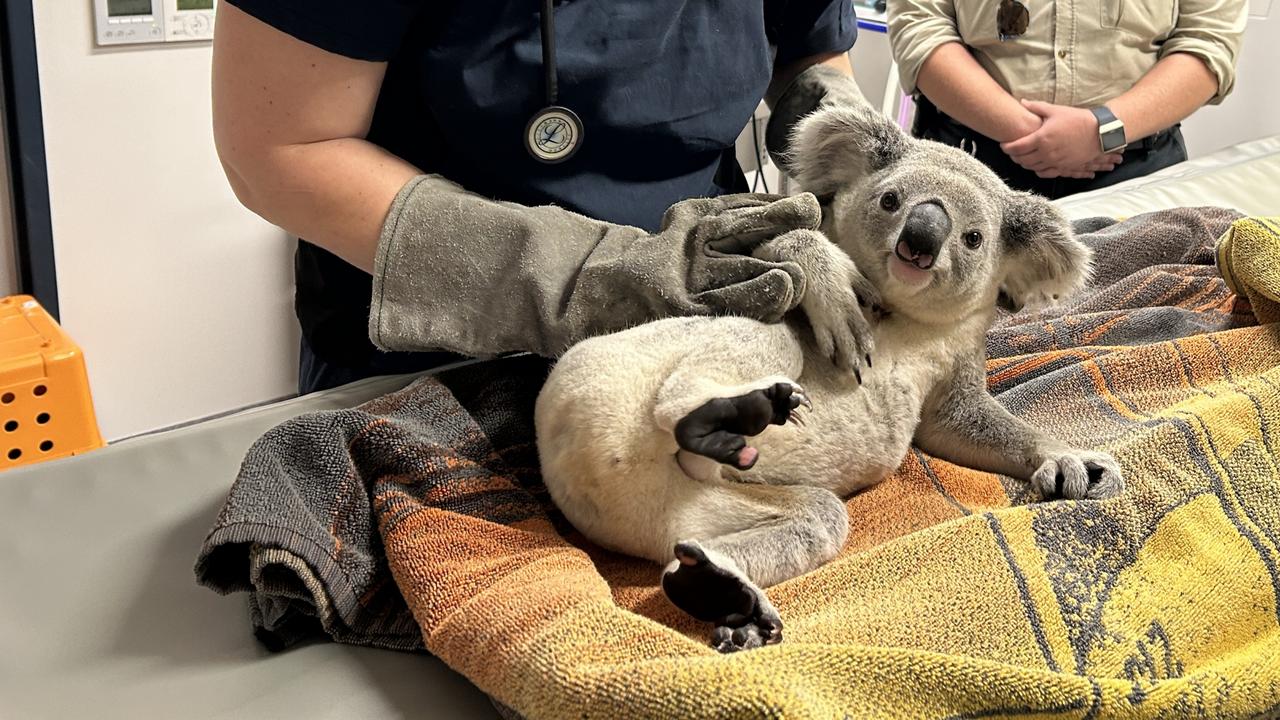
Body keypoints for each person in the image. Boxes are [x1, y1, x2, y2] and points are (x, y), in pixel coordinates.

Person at [212, 1, 868, 394]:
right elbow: (280, 150)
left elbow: (812, 54)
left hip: (702, 325)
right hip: (435, 362)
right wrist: (589, 279)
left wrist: (869, 174)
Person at [888, 0, 1247, 199]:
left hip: (1135, 173)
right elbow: (920, 26)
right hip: (966, 163)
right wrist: (1031, 135)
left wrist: (1100, 130)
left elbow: (1207, 42)